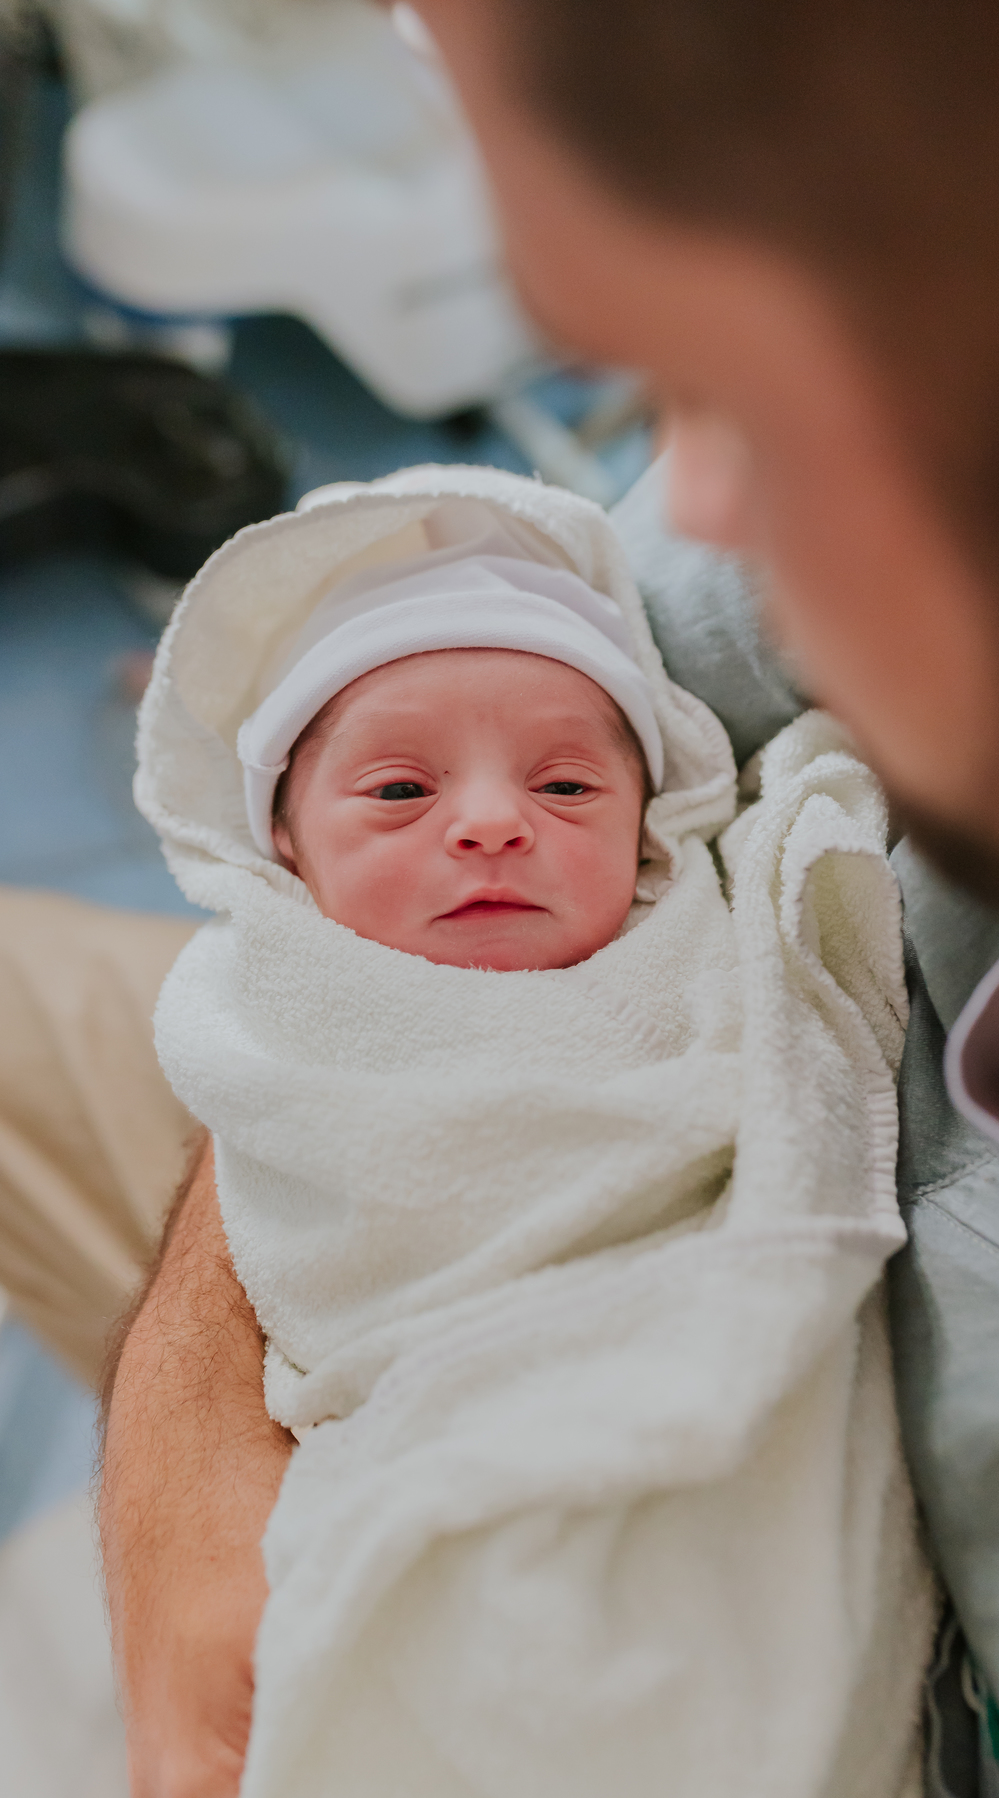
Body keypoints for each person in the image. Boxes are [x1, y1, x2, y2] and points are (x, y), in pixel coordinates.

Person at [89, 2, 999, 1794]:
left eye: (765, 384)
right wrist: (187, 1427)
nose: (697, 503)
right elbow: (549, 674)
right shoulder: (973, 462)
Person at [138, 462, 931, 1798]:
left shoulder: (707, 937)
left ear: (654, 819)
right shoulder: (271, 1016)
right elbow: (302, 1184)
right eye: (397, 792)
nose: (497, 822)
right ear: (278, 846)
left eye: (569, 790)